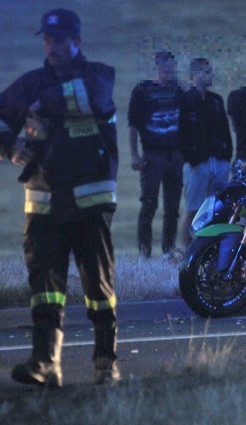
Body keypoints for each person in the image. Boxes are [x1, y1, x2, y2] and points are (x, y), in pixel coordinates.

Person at [0, 8, 119, 386]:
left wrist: (36, 107)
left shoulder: (98, 76)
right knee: (45, 291)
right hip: (44, 204)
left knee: (97, 289)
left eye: (59, 40)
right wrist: (9, 147)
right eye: (47, 40)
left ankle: (106, 363)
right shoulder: (30, 83)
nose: (51, 47)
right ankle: (45, 363)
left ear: (76, 41)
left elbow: (88, 99)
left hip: (89, 204)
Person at [128, 51, 183, 260]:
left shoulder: (178, 90)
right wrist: (134, 154)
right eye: (165, 66)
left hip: (176, 154)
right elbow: (132, 125)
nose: (169, 70)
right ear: (157, 66)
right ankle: (144, 253)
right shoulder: (143, 91)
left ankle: (168, 251)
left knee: (173, 207)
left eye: (172, 65)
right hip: (152, 154)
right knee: (149, 203)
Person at [178, 58, 232, 249]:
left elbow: (224, 129)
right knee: (193, 208)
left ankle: (213, 246)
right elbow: (181, 131)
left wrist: (227, 156)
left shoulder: (215, 100)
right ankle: (186, 249)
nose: (210, 75)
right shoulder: (185, 100)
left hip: (218, 160)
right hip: (197, 162)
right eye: (206, 72)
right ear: (195, 75)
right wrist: (190, 159)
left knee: (218, 207)